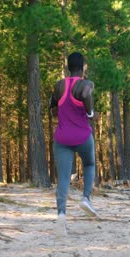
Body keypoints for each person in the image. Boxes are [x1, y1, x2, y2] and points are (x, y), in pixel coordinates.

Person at [49, 52, 99, 237]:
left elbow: (53, 110)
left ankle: (61, 214)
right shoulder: (84, 85)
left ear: (67, 66)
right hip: (82, 136)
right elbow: (89, 113)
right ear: (83, 67)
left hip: (62, 138)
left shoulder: (58, 85)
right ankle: (86, 198)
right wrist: (93, 115)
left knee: (63, 178)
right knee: (89, 164)